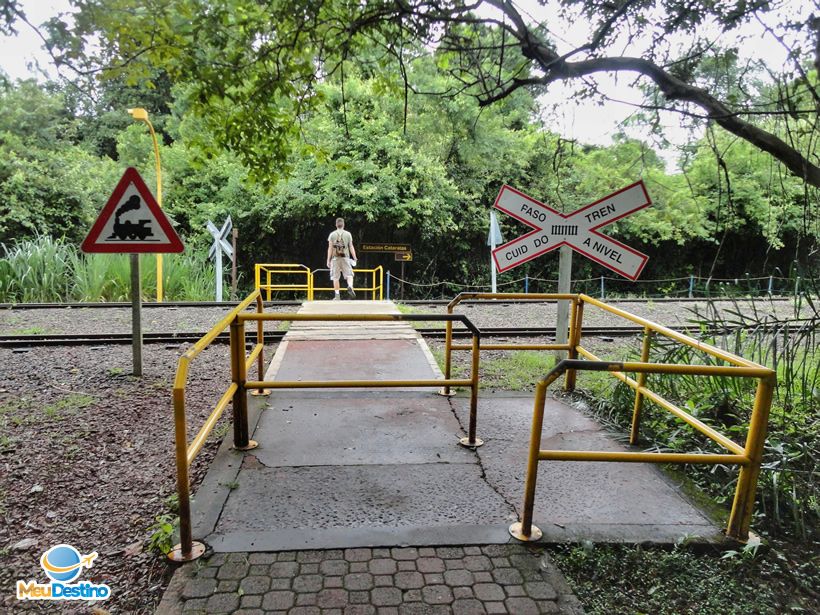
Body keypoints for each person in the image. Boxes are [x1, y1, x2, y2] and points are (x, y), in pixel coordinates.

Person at [326, 217, 358, 300]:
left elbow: (330, 248)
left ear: (336, 225)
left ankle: (337, 296)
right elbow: (351, 246)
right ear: (343, 224)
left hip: (335, 259)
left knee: (335, 277)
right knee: (349, 275)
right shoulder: (348, 234)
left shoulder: (332, 235)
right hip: (346, 258)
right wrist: (354, 257)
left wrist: (328, 260)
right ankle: (350, 286)